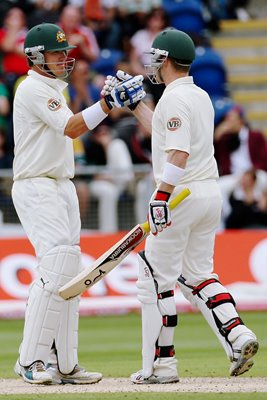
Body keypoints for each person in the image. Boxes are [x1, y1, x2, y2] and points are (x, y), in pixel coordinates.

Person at [103, 28, 259, 384]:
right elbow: (166, 133)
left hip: (181, 194)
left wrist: (161, 195)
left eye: (156, 58)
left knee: (154, 278)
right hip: (207, 194)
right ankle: (238, 336)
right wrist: (136, 105)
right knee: (199, 275)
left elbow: (178, 152)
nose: (153, 65)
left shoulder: (174, 99)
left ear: (167, 60)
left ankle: (160, 366)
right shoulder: (199, 95)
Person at [11, 22, 145, 385]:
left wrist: (105, 103)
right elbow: (71, 128)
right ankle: (30, 360)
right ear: (36, 57)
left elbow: (74, 123)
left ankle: (66, 365)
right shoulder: (32, 88)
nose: (64, 57)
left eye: (64, 51)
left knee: (71, 274)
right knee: (55, 268)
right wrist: (106, 104)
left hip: (61, 185)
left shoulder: (54, 87)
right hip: (36, 185)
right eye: (56, 53)